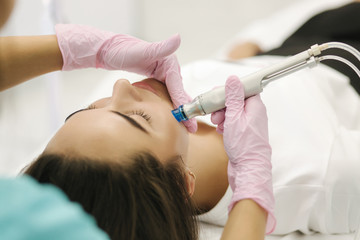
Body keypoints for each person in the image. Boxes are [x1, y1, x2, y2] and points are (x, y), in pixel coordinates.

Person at [23, 1, 360, 239]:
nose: (121, 85)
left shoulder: (165, 116)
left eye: (87, 110)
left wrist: (242, 56)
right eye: (136, 118)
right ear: (183, 181)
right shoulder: (316, 178)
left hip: (296, 47)